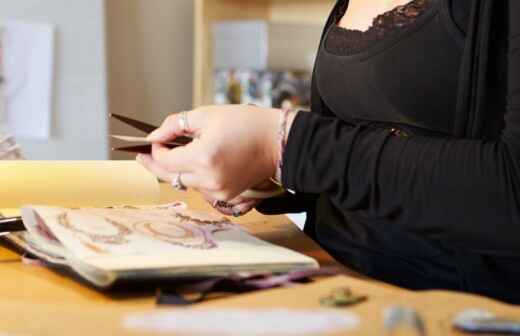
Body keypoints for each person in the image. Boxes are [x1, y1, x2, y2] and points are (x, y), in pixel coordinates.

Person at [138, 0, 520, 303]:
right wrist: (271, 172)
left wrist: (286, 143)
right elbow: (367, 146)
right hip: (331, 283)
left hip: (449, 310)